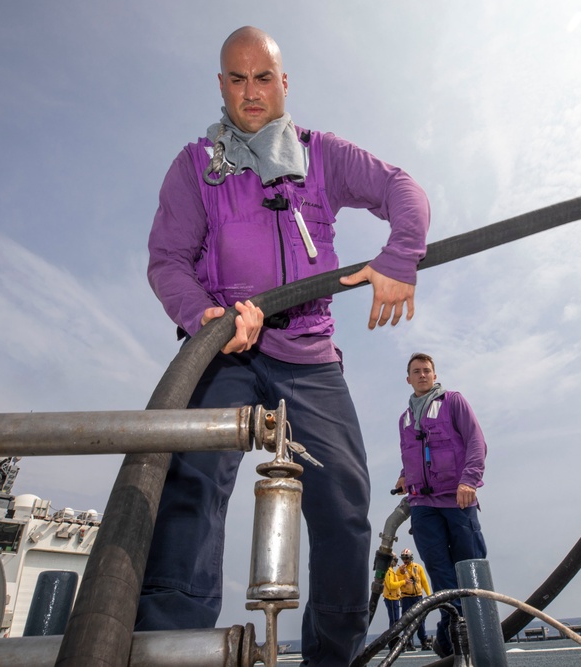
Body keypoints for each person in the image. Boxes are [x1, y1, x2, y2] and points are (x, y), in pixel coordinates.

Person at [139, 26, 430, 667]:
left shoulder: (322, 154)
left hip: (310, 355)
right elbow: (167, 261)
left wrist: (400, 255)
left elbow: (402, 189)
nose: (251, 92)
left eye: (263, 77)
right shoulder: (194, 166)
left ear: (283, 83)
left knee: (347, 506)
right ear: (222, 85)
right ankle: (170, 651)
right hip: (223, 351)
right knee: (189, 492)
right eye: (237, 79)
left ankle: (331, 658)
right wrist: (205, 314)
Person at [395, 353, 488, 657]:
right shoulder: (405, 419)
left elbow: (476, 441)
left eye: (427, 371)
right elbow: (411, 454)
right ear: (408, 379)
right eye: (416, 372)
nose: (422, 375)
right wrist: (402, 476)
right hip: (422, 503)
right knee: (440, 574)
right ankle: (455, 638)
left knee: (469, 568)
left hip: (457, 499)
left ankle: (464, 639)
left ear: (435, 376)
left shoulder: (453, 402)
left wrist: (469, 480)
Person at [396, 548, 431, 651]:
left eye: (406, 558)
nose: (405, 560)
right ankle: (408, 643)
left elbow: (424, 581)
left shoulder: (418, 567)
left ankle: (424, 642)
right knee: (407, 620)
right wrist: (401, 574)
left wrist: (429, 595)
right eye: (403, 558)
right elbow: (397, 581)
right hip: (406, 597)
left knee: (421, 619)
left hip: (418, 597)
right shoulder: (400, 570)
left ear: (410, 558)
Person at [382, 555, 405, 649]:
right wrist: (404, 582)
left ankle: (394, 639)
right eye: (395, 560)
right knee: (394, 621)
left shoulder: (392, 571)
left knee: (396, 620)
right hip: (391, 598)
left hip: (394, 598)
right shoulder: (388, 572)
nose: (396, 562)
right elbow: (391, 586)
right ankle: (392, 641)